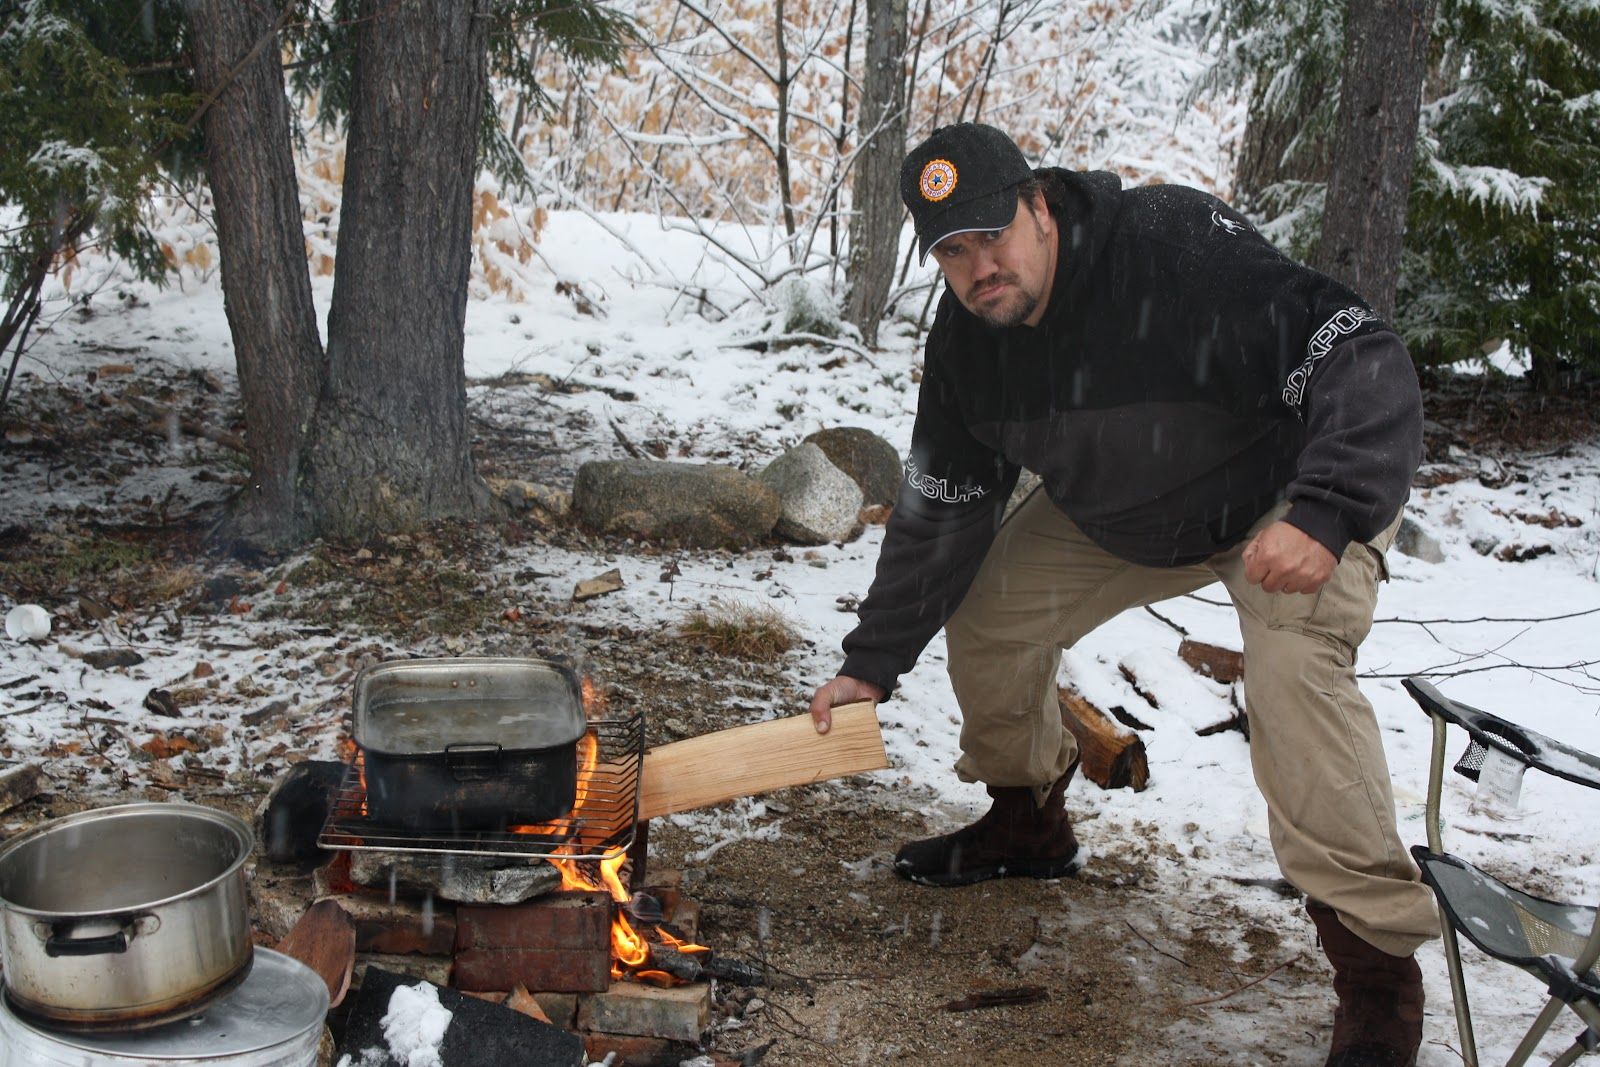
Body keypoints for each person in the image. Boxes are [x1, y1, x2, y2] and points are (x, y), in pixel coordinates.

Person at [807, 123, 1437, 1067]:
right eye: (952, 252)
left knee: (1293, 675)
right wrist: (870, 663)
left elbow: (1358, 348)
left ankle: (1377, 964)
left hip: (1286, 498)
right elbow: (941, 511)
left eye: (993, 235)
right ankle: (1027, 817)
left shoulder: (1168, 248)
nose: (981, 268)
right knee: (988, 613)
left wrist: (1331, 504)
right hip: (1126, 519)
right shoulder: (971, 343)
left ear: (1041, 205)